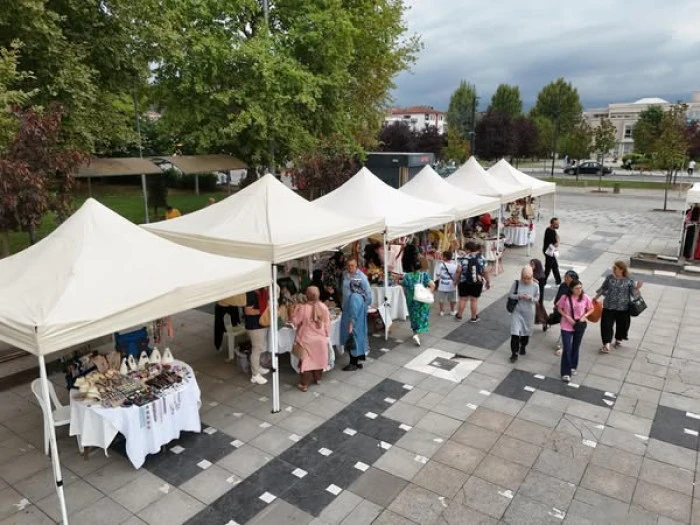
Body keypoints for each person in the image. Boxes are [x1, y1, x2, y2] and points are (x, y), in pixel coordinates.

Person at [594, 260, 643, 354]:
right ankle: (606, 344)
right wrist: (596, 297)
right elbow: (603, 288)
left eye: (615, 268)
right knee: (606, 325)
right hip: (609, 306)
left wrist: (637, 288)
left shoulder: (629, 279)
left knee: (622, 326)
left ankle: (618, 339)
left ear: (621, 269)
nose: (613, 269)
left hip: (623, 308)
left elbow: (634, 294)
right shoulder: (610, 277)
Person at [291, 286, 331, 392]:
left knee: (306, 362)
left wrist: (293, 311)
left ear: (307, 295)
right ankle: (318, 379)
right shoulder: (323, 307)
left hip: (306, 339)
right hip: (320, 339)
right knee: (319, 359)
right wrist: (326, 334)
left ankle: (304, 384)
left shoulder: (303, 308)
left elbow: (295, 321)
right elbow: (327, 324)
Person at [556, 279, 594, 382]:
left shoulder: (585, 297)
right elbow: (559, 308)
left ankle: (573, 366)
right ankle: (565, 372)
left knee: (576, 346)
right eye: (577, 288)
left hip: (579, 325)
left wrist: (584, 316)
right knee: (567, 348)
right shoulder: (565, 297)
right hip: (566, 325)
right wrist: (567, 316)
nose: (579, 290)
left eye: (580, 288)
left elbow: (591, 308)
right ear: (571, 289)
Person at [508, 267, 540, 363]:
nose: (526, 280)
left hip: (529, 312)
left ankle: (523, 346)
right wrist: (519, 296)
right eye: (524, 278)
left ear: (532, 277)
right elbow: (510, 295)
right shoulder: (516, 283)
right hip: (517, 311)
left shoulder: (535, 286)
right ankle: (514, 353)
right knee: (515, 333)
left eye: (528, 278)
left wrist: (530, 298)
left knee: (526, 332)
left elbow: (537, 298)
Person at [402, 259, 436, 346]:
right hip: (422, 300)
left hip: (411, 300)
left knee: (413, 316)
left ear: (412, 267)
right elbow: (432, 285)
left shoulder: (407, 276)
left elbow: (404, 289)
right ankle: (417, 334)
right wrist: (428, 293)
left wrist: (407, 296)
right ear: (420, 267)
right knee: (421, 316)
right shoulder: (424, 275)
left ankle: (415, 333)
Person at [455, 242, 490, 322]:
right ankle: (474, 317)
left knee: (463, 299)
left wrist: (455, 280)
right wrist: (488, 281)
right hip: (477, 282)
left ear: (468, 249)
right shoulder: (482, 258)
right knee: (474, 300)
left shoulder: (463, 258)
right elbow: (485, 271)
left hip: (464, 281)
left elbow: (458, 271)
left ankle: (459, 316)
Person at [341, 280, 369, 371]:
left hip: (355, 325)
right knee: (358, 342)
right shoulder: (361, 295)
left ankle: (353, 364)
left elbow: (353, 312)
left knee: (353, 343)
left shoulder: (354, 297)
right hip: (360, 324)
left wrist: (351, 325)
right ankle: (357, 362)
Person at [244, 288, 271, 385]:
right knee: (257, 349)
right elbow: (247, 311)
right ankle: (255, 375)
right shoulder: (251, 293)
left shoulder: (261, 292)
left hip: (260, 323)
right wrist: (263, 311)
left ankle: (257, 367)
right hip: (254, 326)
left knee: (259, 348)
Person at [551, 270, 579, 356]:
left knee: (567, 328)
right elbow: (558, 297)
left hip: (572, 312)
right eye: (565, 277)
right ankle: (562, 344)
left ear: (573, 279)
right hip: (562, 311)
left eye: (568, 278)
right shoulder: (563, 285)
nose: (566, 279)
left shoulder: (576, 288)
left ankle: (562, 345)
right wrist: (556, 305)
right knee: (564, 327)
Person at [434, 251, 458, 316]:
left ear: (445, 257)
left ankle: (441, 311)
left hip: (442, 283)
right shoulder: (455, 265)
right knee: (452, 299)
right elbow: (456, 274)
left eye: (442, 256)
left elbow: (437, 274)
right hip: (451, 283)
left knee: (441, 298)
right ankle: (452, 311)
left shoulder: (440, 265)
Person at [542, 218, 561, 287]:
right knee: (548, 268)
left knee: (554, 266)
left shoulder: (549, 229)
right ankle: (543, 282)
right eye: (556, 224)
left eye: (558, 223)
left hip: (549, 251)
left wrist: (557, 238)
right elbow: (556, 244)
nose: (558, 225)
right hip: (549, 252)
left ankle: (558, 281)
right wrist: (558, 240)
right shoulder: (551, 232)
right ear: (552, 224)